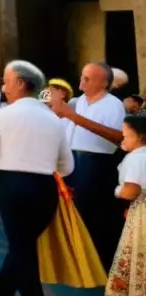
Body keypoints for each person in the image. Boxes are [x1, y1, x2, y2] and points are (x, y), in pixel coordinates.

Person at [0, 61, 74, 296]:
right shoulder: (53, 119)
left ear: (20, 83)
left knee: (24, 250)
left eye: (6, 82)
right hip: (44, 188)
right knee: (24, 242)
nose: (3, 88)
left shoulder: (1, 117)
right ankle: (4, 284)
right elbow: (67, 166)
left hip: (14, 186)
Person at [49, 62, 127, 270]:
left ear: (103, 83)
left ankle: (102, 264)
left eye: (87, 79)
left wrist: (72, 116)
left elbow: (119, 137)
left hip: (96, 163)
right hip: (74, 160)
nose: (81, 83)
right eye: (82, 77)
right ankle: (82, 260)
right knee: (75, 213)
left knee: (95, 215)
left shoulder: (113, 105)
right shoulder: (80, 101)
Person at [104, 113, 146, 296]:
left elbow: (131, 191)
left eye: (126, 135)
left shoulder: (137, 157)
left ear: (138, 137)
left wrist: (117, 190)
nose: (123, 140)